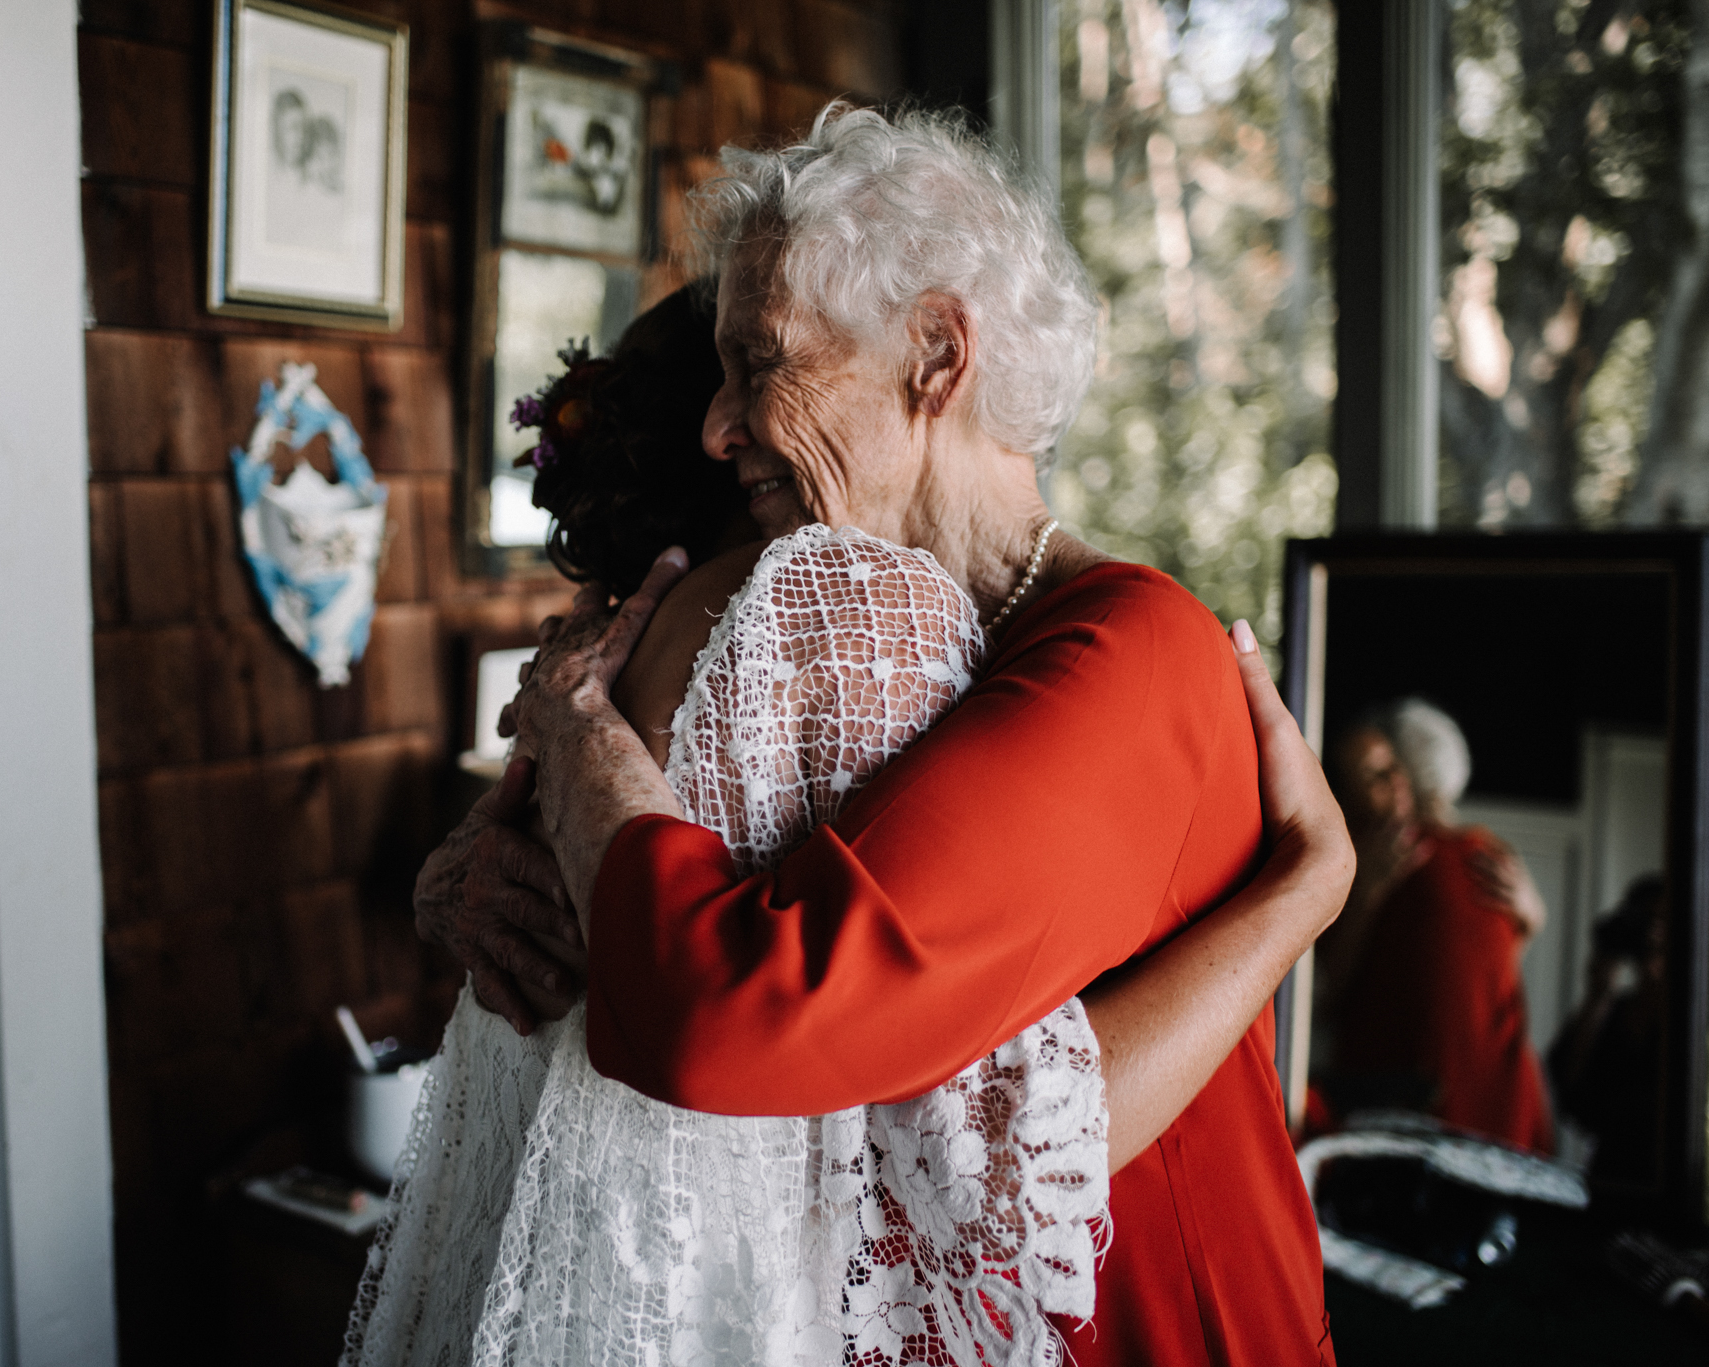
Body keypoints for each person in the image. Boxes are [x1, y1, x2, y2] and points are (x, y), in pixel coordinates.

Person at [416, 107, 1352, 1365]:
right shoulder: (872, 654)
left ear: (933, 354)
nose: (718, 426)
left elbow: (741, 1010)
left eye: (760, 363)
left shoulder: (1129, 650)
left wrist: (581, 733)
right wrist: (468, 875)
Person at [1326, 700, 1553, 1152]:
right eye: (1375, 774)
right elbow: (1330, 988)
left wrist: (1531, 920)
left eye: (1394, 766)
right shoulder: (1362, 866)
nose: (1395, 781)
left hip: (1462, 1113)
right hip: (1452, 1115)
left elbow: (1482, 973)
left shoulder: (1461, 856)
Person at [1549, 874, 1664, 1183]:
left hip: (1674, 1183)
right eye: (1648, 920)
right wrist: (1598, 994)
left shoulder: (1693, 1025)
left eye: (1666, 921)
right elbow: (1571, 1093)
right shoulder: (1612, 1011)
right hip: (1610, 1177)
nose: (1655, 934)